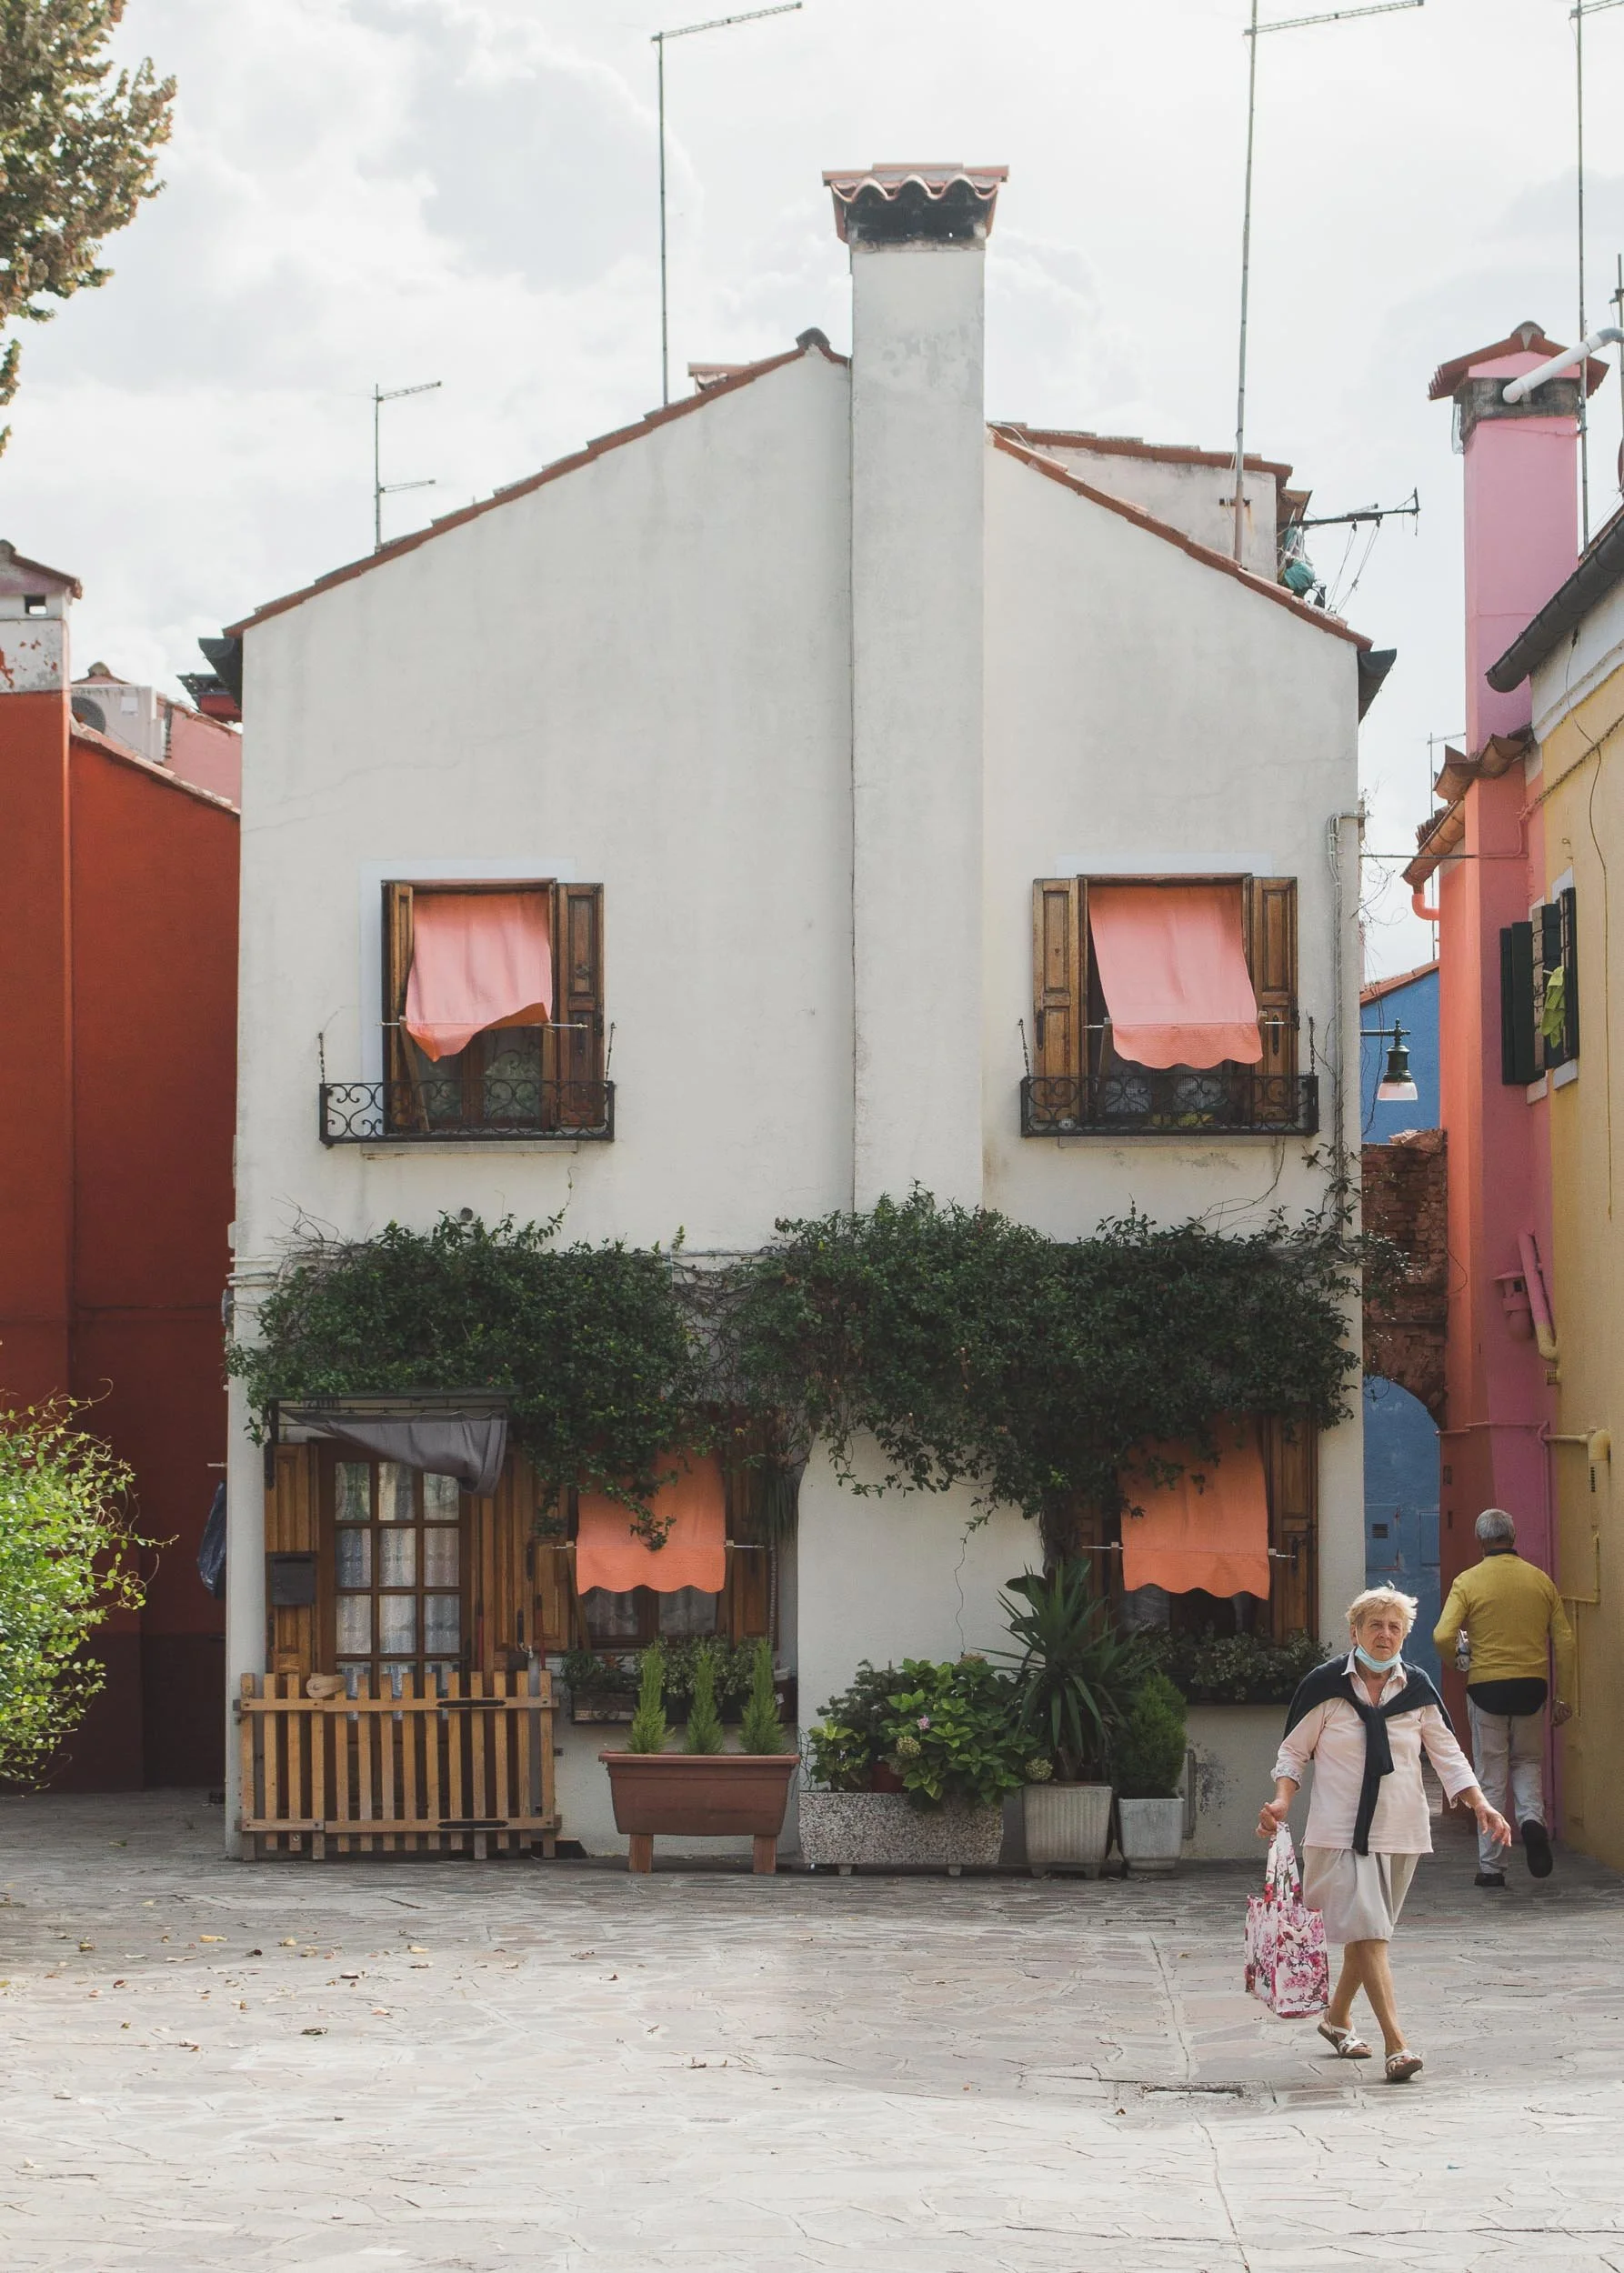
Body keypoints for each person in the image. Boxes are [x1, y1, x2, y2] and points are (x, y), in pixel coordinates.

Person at [1258, 1586, 1510, 2084]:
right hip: (1338, 1834)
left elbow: (1448, 1753)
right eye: (1375, 1625)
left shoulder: (1416, 1690)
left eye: (1394, 1627)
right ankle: (1399, 2045)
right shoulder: (1325, 1687)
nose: (1385, 1634)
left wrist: (1481, 1804)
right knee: (1371, 1933)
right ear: (1355, 1632)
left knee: (1366, 1935)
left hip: (1401, 1831)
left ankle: (1335, 2020)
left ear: (1404, 1635)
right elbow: (1293, 1753)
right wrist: (1284, 1801)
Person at [1433, 1507, 1577, 1889]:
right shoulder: (1540, 1581)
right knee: (1527, 1762)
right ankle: (1532, 1821)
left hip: (1487, 1689)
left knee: (1490, 1776)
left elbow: (1443, 1635)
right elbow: (1565, 1639)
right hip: (1532, 1687)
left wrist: (1459, 1661)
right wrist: (1564, 1695)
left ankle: (1491, 1868)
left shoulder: (1469, 1581)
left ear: (1481, 1540)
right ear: (1512, 1538)